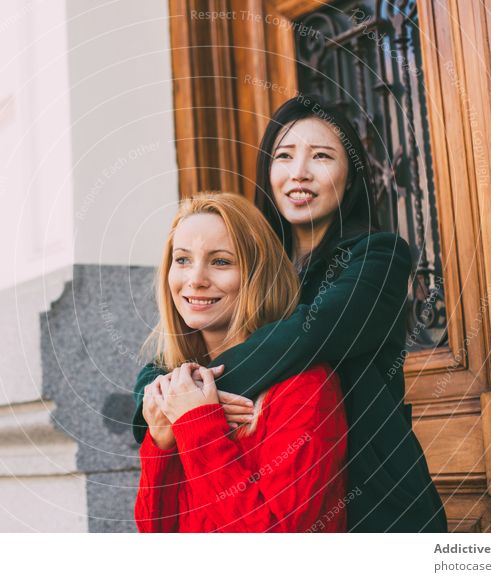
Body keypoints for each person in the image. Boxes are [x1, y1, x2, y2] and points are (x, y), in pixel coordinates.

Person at [132, 94, 448, 533]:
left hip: (371, 498)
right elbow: (162, 362)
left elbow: (307, 334)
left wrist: (193, 396)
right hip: (268, 480)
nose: (299, 172)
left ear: (351, 176)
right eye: (284, 156)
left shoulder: (377, 256)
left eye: (321, 156)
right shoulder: (248, 256)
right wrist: (160, 400)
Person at [134, 193, 348, 532]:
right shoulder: (177, 389)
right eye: (183, 260)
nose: (195, 279)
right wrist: (161, 441)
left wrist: (198, 425)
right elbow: (155, 532)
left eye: (220, 262)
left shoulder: (303, 387)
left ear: (257, 275)